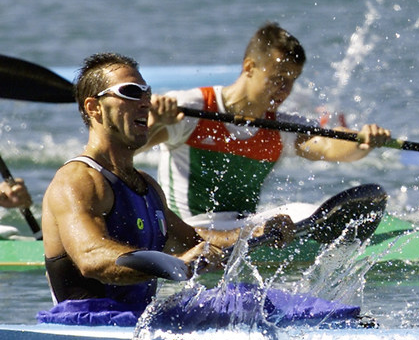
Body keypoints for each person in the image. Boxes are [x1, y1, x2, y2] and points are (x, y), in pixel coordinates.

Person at [41, 52, 295, 309]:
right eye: (130, 92)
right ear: (93, 107)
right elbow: (91, 257)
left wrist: (254, 231)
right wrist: (178, 264)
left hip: (139, 324)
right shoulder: (77, 180)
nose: (145, 103)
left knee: (253, 301)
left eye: (146, 94)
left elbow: (194, 240)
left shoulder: (146, 186)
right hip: (87, 325)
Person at [143, 21, 392, 226]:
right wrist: (154, 122)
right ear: (249, 67)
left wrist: (363, 143)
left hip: (242, 229)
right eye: (277, 79)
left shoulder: (281, 127)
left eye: (292, 81)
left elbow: (327, 145)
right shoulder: (191, 107)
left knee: (303, 210)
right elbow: (128, 147)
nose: (284, 90)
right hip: (190, 229)